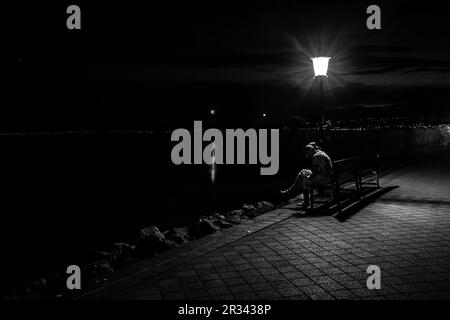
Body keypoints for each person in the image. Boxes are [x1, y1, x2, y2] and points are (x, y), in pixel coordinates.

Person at [281, 142, 333, 209]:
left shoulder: (317, 156)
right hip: (326, 176)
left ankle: (305, 202)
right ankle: (289, 191)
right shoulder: (322, 153)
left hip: (323, 178)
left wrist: (309, 177)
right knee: (303, 171)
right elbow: (318, 170)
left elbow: (315, 171)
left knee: (304, 180)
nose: (307, 153)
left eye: (308, 151)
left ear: (312, 150)